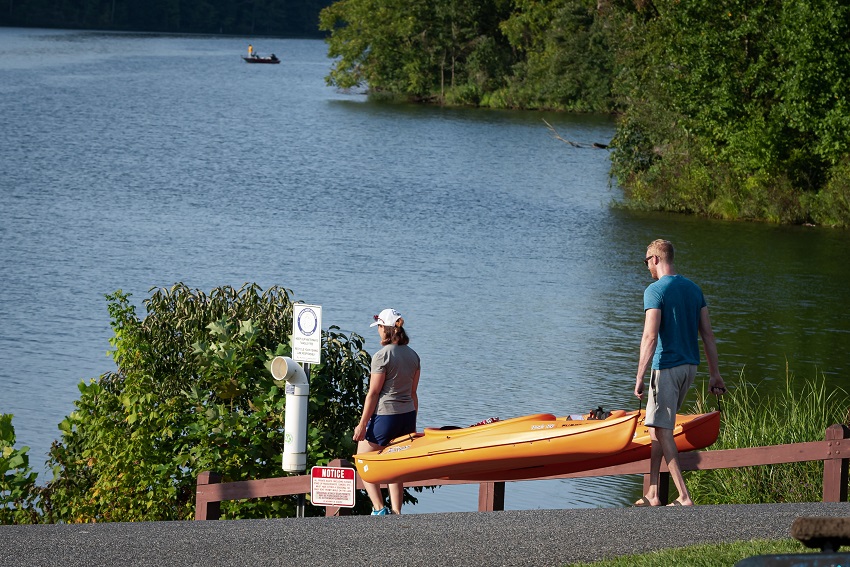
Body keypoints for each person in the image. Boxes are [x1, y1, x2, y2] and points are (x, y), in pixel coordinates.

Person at [633, 239, 727, 507]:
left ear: (655, 259)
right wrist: (715, 374)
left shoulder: (655, 290)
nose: (647, 267)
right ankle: (652, 492)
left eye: (646, 262)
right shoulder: (694, 289)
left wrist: (640, 376)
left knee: (662, 430)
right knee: (656, 427)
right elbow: (707, 335)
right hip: (690, 367)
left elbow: (650, 336)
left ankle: (684, 497)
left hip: (666, 367)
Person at [353, 308, 420, 515]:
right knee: (395, 463)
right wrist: (413, 424)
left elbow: (373, 393)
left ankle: (379, 508)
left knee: (362, 460)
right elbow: (413, 393)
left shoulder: (382, 356)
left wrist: (362, 424)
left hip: (385, 416)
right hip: (407, 415)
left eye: (379, 327)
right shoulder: (414, 356)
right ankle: (397, 511)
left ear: (386, 329)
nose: (378, 331)